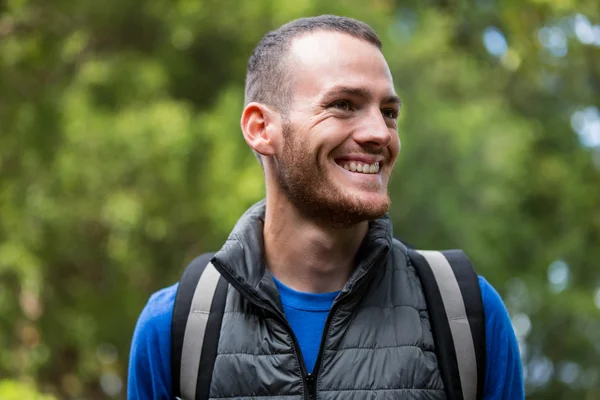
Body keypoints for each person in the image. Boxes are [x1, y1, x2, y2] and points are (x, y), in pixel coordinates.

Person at [128, 15, 524, 400]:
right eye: (343, 104)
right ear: (261, 129)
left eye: (389, 112)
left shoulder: (465, 315)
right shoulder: (175, 329)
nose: (379, 134)